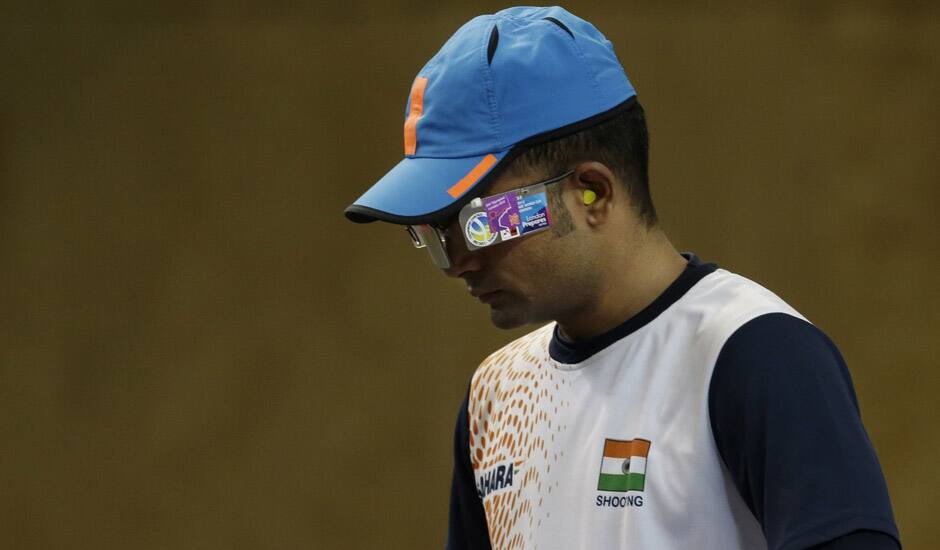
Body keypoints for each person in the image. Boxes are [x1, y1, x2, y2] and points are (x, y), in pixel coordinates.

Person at [344, 6, 900, 550]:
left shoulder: (752, 355)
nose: (459, 260)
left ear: (593, 191)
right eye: (435, 233)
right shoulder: (495, 395)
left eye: (479, 222)